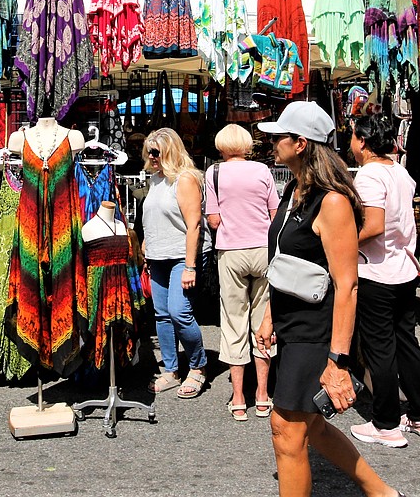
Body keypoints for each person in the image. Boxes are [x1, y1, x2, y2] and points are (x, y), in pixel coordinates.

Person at [254, 102, 404, 497]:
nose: (271, 143)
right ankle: (381, 491)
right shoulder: (293, 190)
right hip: (291, 324)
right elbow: (287, 263)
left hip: (316, 330)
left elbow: (347, 284)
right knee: (312, 425)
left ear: (300, 144)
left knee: (287, 430)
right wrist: (271, 313)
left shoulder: (332, 201)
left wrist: (338, 361)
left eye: (278, 137)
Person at [348, 114, 420, 447]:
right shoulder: (400, 172)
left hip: (377, 270)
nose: (351, 142)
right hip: (403, 268)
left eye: (354, 136)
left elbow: (373, 226)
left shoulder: (370, 175)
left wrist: (341, 241)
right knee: (406, 343)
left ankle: (386, 423)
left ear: (364, 141)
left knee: (380, 349)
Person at [205, 124, 279, 421]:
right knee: (263, 321)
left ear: (221, 145)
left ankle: (238, 398)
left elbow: (213, 219)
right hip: (263, 250)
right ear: (247, 145)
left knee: (233, 320)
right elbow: (275, 214)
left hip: (231, 252)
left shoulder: (214, 173)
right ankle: (262, 395)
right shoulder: (262, 171)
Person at [142, 127, 209, 399]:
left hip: (183, 255)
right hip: (158, 256)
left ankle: (198, 366)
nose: (151, 156)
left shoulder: (185, 179)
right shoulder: (156, 179)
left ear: (170, 150)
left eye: (156, 151)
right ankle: (171, 370)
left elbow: (193, 224)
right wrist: (147, 245)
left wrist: (191, 266)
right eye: (148, 151)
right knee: (161, 314)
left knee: (179, 311)